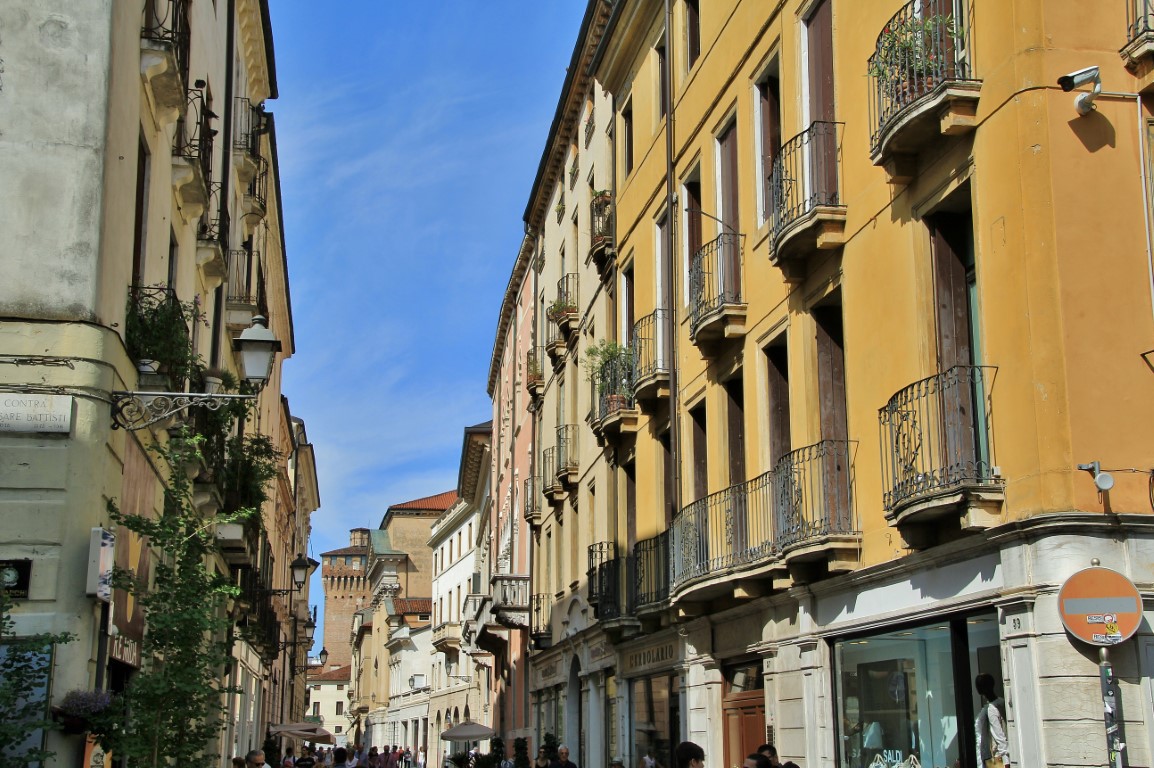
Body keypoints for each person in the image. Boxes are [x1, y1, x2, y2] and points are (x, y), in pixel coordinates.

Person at [975, 673, 1010, 768]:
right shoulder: (1002, 702)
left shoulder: (991, 709)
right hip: (997, 757)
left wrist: (1006, 761)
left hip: (996, 758)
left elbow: (999, 735)